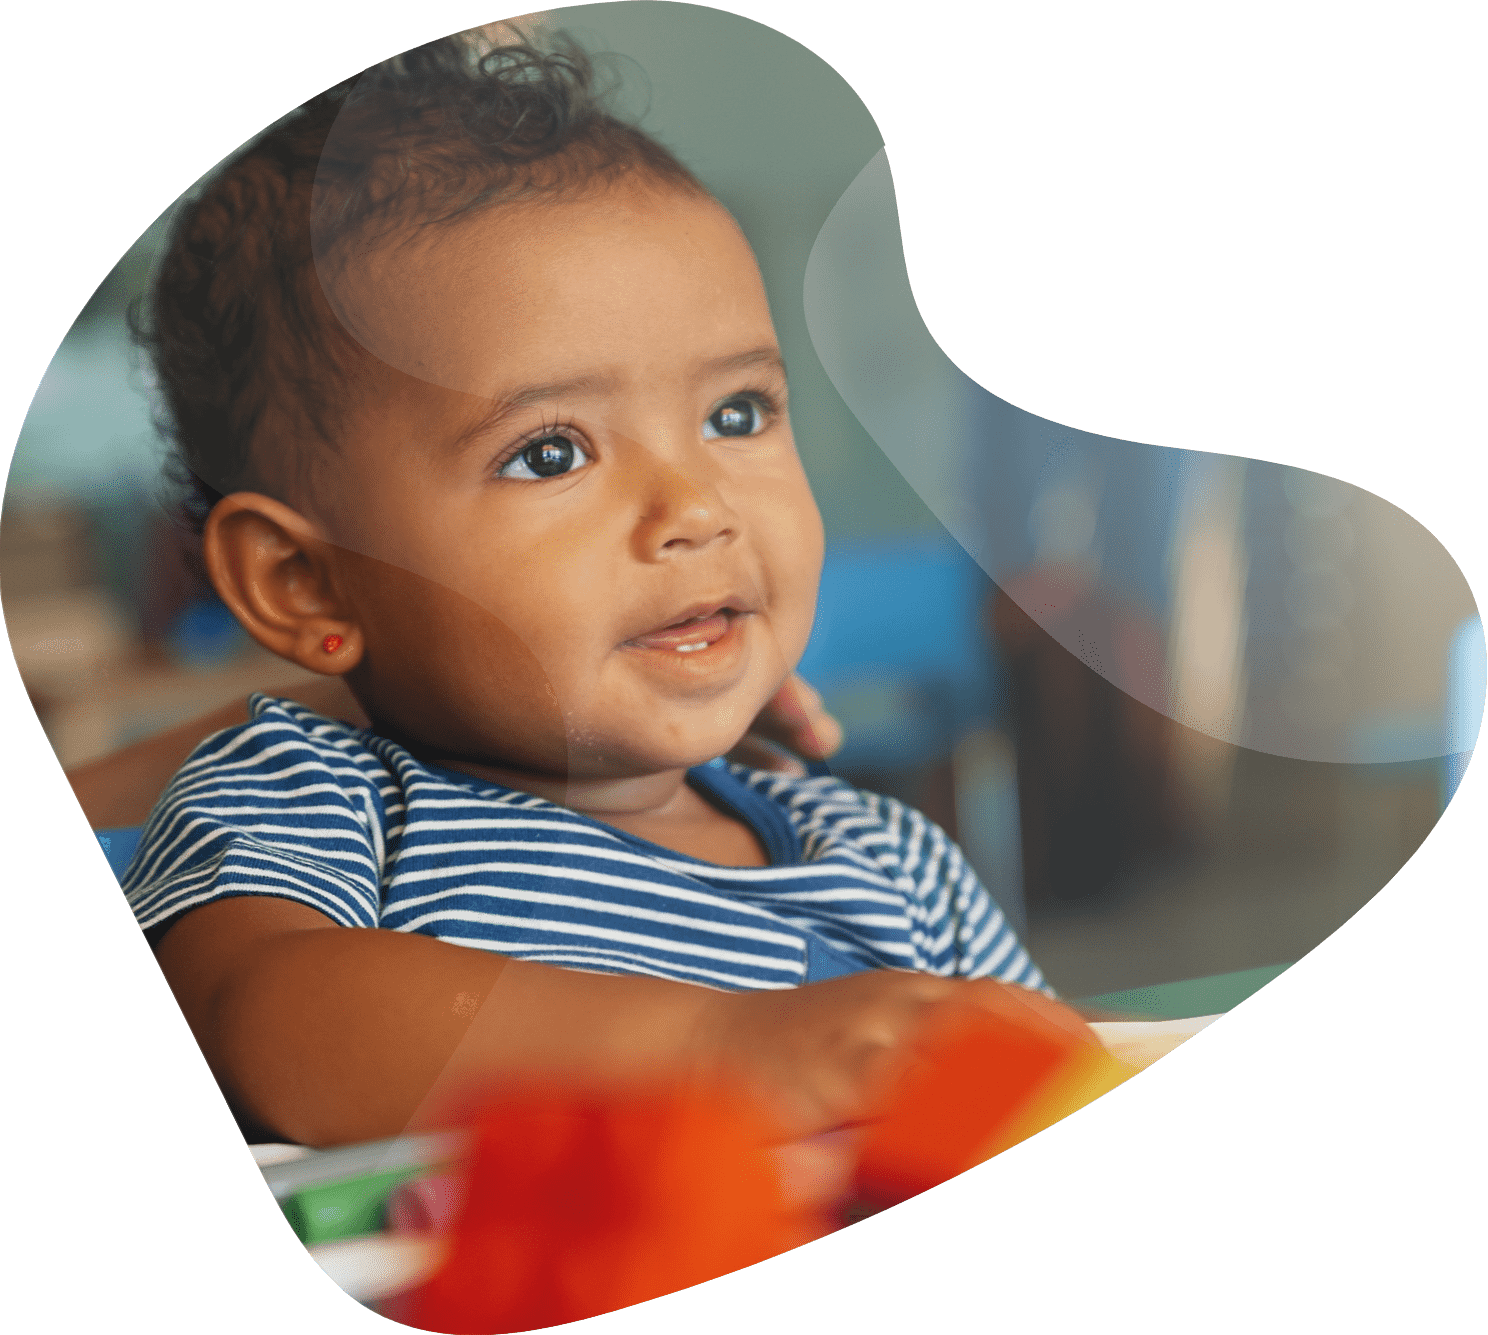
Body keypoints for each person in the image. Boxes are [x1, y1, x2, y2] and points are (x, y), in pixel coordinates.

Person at [120, 31, 1080, 1154]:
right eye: (551, 453)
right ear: (304, 583)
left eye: (738, 414)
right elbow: (263, 1021)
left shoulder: (891, 866)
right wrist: (727, 1053)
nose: (696, 507)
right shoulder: (313, 802)